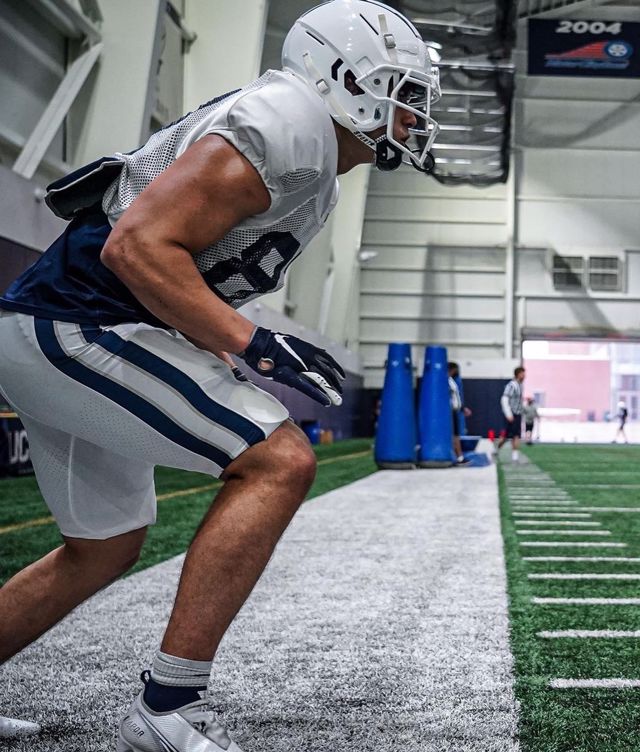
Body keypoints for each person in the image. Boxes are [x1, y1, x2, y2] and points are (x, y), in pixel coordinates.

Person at [0, 2, 441, 749]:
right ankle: (169, 708)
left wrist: (227, 343)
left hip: (65, 324)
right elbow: (136, 247)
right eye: (405, 92)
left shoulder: (311, 153)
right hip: (76, 325)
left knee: (103, 546)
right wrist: (254, 343)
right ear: (344, 80)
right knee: (279, 461)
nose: (415, 114)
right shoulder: (287, 123)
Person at [497, 367, 525, 463]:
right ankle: (496, 449)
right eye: (522, 374)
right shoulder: (512, 385)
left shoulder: (520, 385)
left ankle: (515, 457)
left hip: (517, 414)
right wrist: (508, 414)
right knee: (505, 436)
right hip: (511, 414)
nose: (524, 376)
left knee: (516, 435)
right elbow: (504, 399)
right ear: (518, 374)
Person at [448, 362, 472, 465]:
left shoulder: (451, 380)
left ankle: (459, 457)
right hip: (449, 411)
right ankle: (458, 457)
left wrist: (462, 408)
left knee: (456, 435)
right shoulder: (446, 380)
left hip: (454, 410)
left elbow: (456, 398)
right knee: (454, 435)